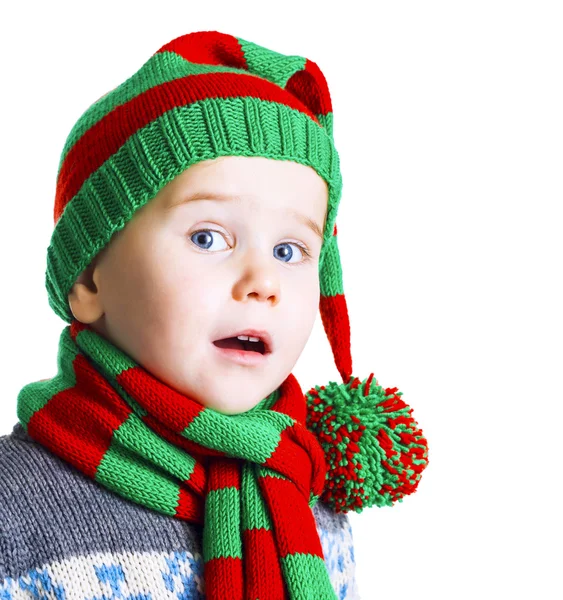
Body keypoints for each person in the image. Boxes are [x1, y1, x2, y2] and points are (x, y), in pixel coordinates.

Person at [0, 30, 429, 598]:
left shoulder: (310, 498)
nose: (263, 283)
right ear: (87, 279)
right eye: (207, 237)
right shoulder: (14, 508)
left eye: (289, 251)